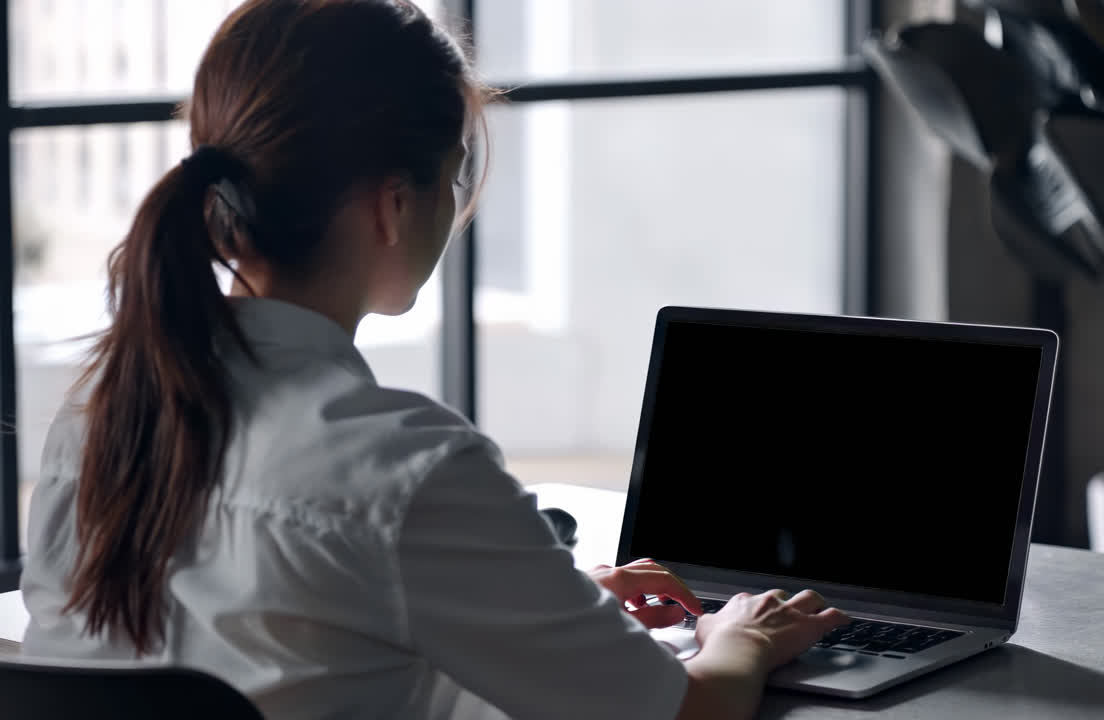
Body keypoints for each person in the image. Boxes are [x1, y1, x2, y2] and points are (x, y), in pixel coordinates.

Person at [19, 1, 848, 718]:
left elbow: (289, 641)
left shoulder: (97, 417)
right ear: (391, 205)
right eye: (455, 176)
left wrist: (547, 610)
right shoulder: (407, 468)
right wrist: (739, 638)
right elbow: (689, 715)